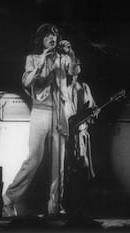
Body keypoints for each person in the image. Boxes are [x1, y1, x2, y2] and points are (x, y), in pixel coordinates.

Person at [2, 24, 74, 217]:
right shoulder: (32, 58)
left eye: (55, 35)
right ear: (41, 39)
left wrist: (71, 54)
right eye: (49, 36)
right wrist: (43, 60)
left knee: (58, 163)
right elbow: (27, 81)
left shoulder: (62, 58)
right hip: (40, 111)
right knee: (34, 159)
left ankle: (55, 206)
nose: (52, 38)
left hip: (58, 111)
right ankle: (9, 198)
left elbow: (74, 72)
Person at [58, 40, 100, 220]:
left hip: (80, 137)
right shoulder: (60, 88)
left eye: (77, 65)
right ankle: (65, 206)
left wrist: (93, 113)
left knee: (83, 170)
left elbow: (92, 112)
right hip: (63, 137)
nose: (74, 69)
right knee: (64, 173)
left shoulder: (83, 88)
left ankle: (83, 208)